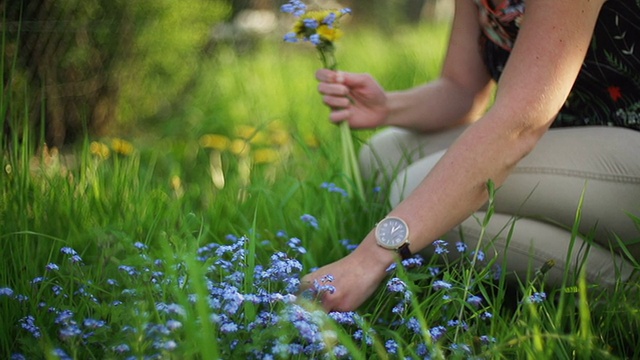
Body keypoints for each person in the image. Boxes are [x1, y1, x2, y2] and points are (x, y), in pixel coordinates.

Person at [302, 0, 640, 312]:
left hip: (628, 148)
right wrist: (388, 106)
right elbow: (461, 89)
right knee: (384, 156)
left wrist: (369, 258)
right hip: (570, 138)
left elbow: (517, 127)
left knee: (414, 191)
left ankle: (625, 288)